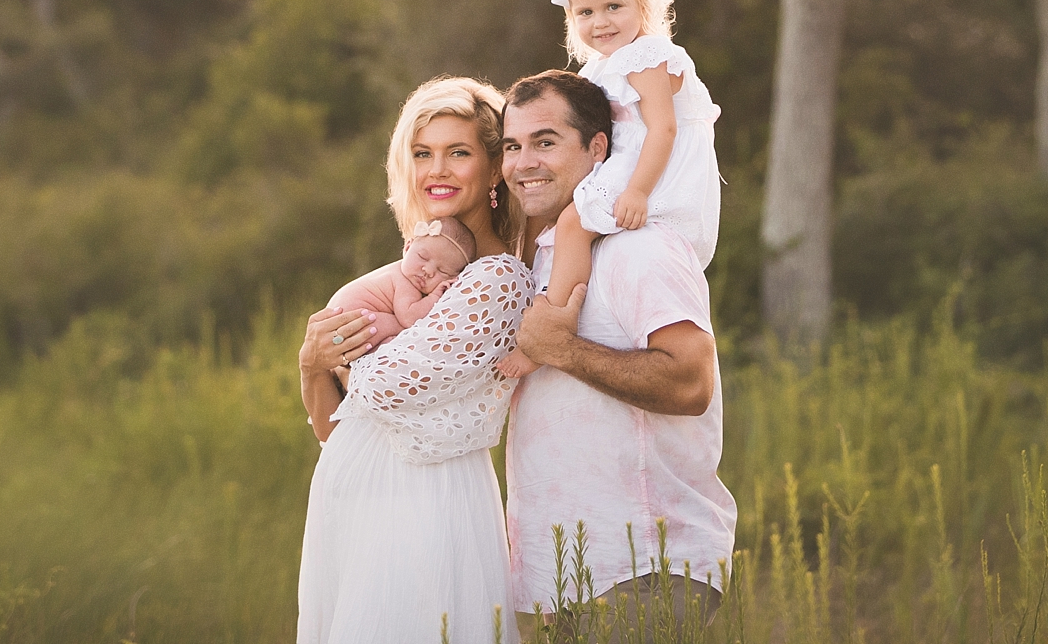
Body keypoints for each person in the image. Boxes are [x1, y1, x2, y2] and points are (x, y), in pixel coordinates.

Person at [501, 69, 737, 639]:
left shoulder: (642, 248)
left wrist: (562, 349)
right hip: (559, 575)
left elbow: (689, 382)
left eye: (546, 142)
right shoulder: (545, 260)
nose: (523, 162)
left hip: (645, 566)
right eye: (512, 146)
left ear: (599, 147)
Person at [297, 78, 534, 644]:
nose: (438, 171)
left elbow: (380, 389)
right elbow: (335, 429)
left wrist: (338, 360)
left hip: (427, 509)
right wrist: (311, 366)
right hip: (354, 509)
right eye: (423, 154)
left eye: (459, 153)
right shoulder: (420, 274)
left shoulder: (497, 279)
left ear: (496, 166)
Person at [500, 0, 721, 378]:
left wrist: (638, 191)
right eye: (585, 12)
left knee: (572, 225)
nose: (600, 22)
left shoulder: (649, 55)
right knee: (559, 225)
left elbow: (663, 129)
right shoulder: (602, 65)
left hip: (653, 170)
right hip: (627, 162)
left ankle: (550, 332)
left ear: (644, 3)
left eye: (613, 7)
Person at [322, 214, 476, 347]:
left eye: (442, 271)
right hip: (349, 324)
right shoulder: (404, 282)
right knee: (402, 331)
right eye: (422, 257)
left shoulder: (397, 270)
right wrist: (434, 296)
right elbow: (409, 318)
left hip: (338, 326)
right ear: (407, 247)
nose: (428, 271)